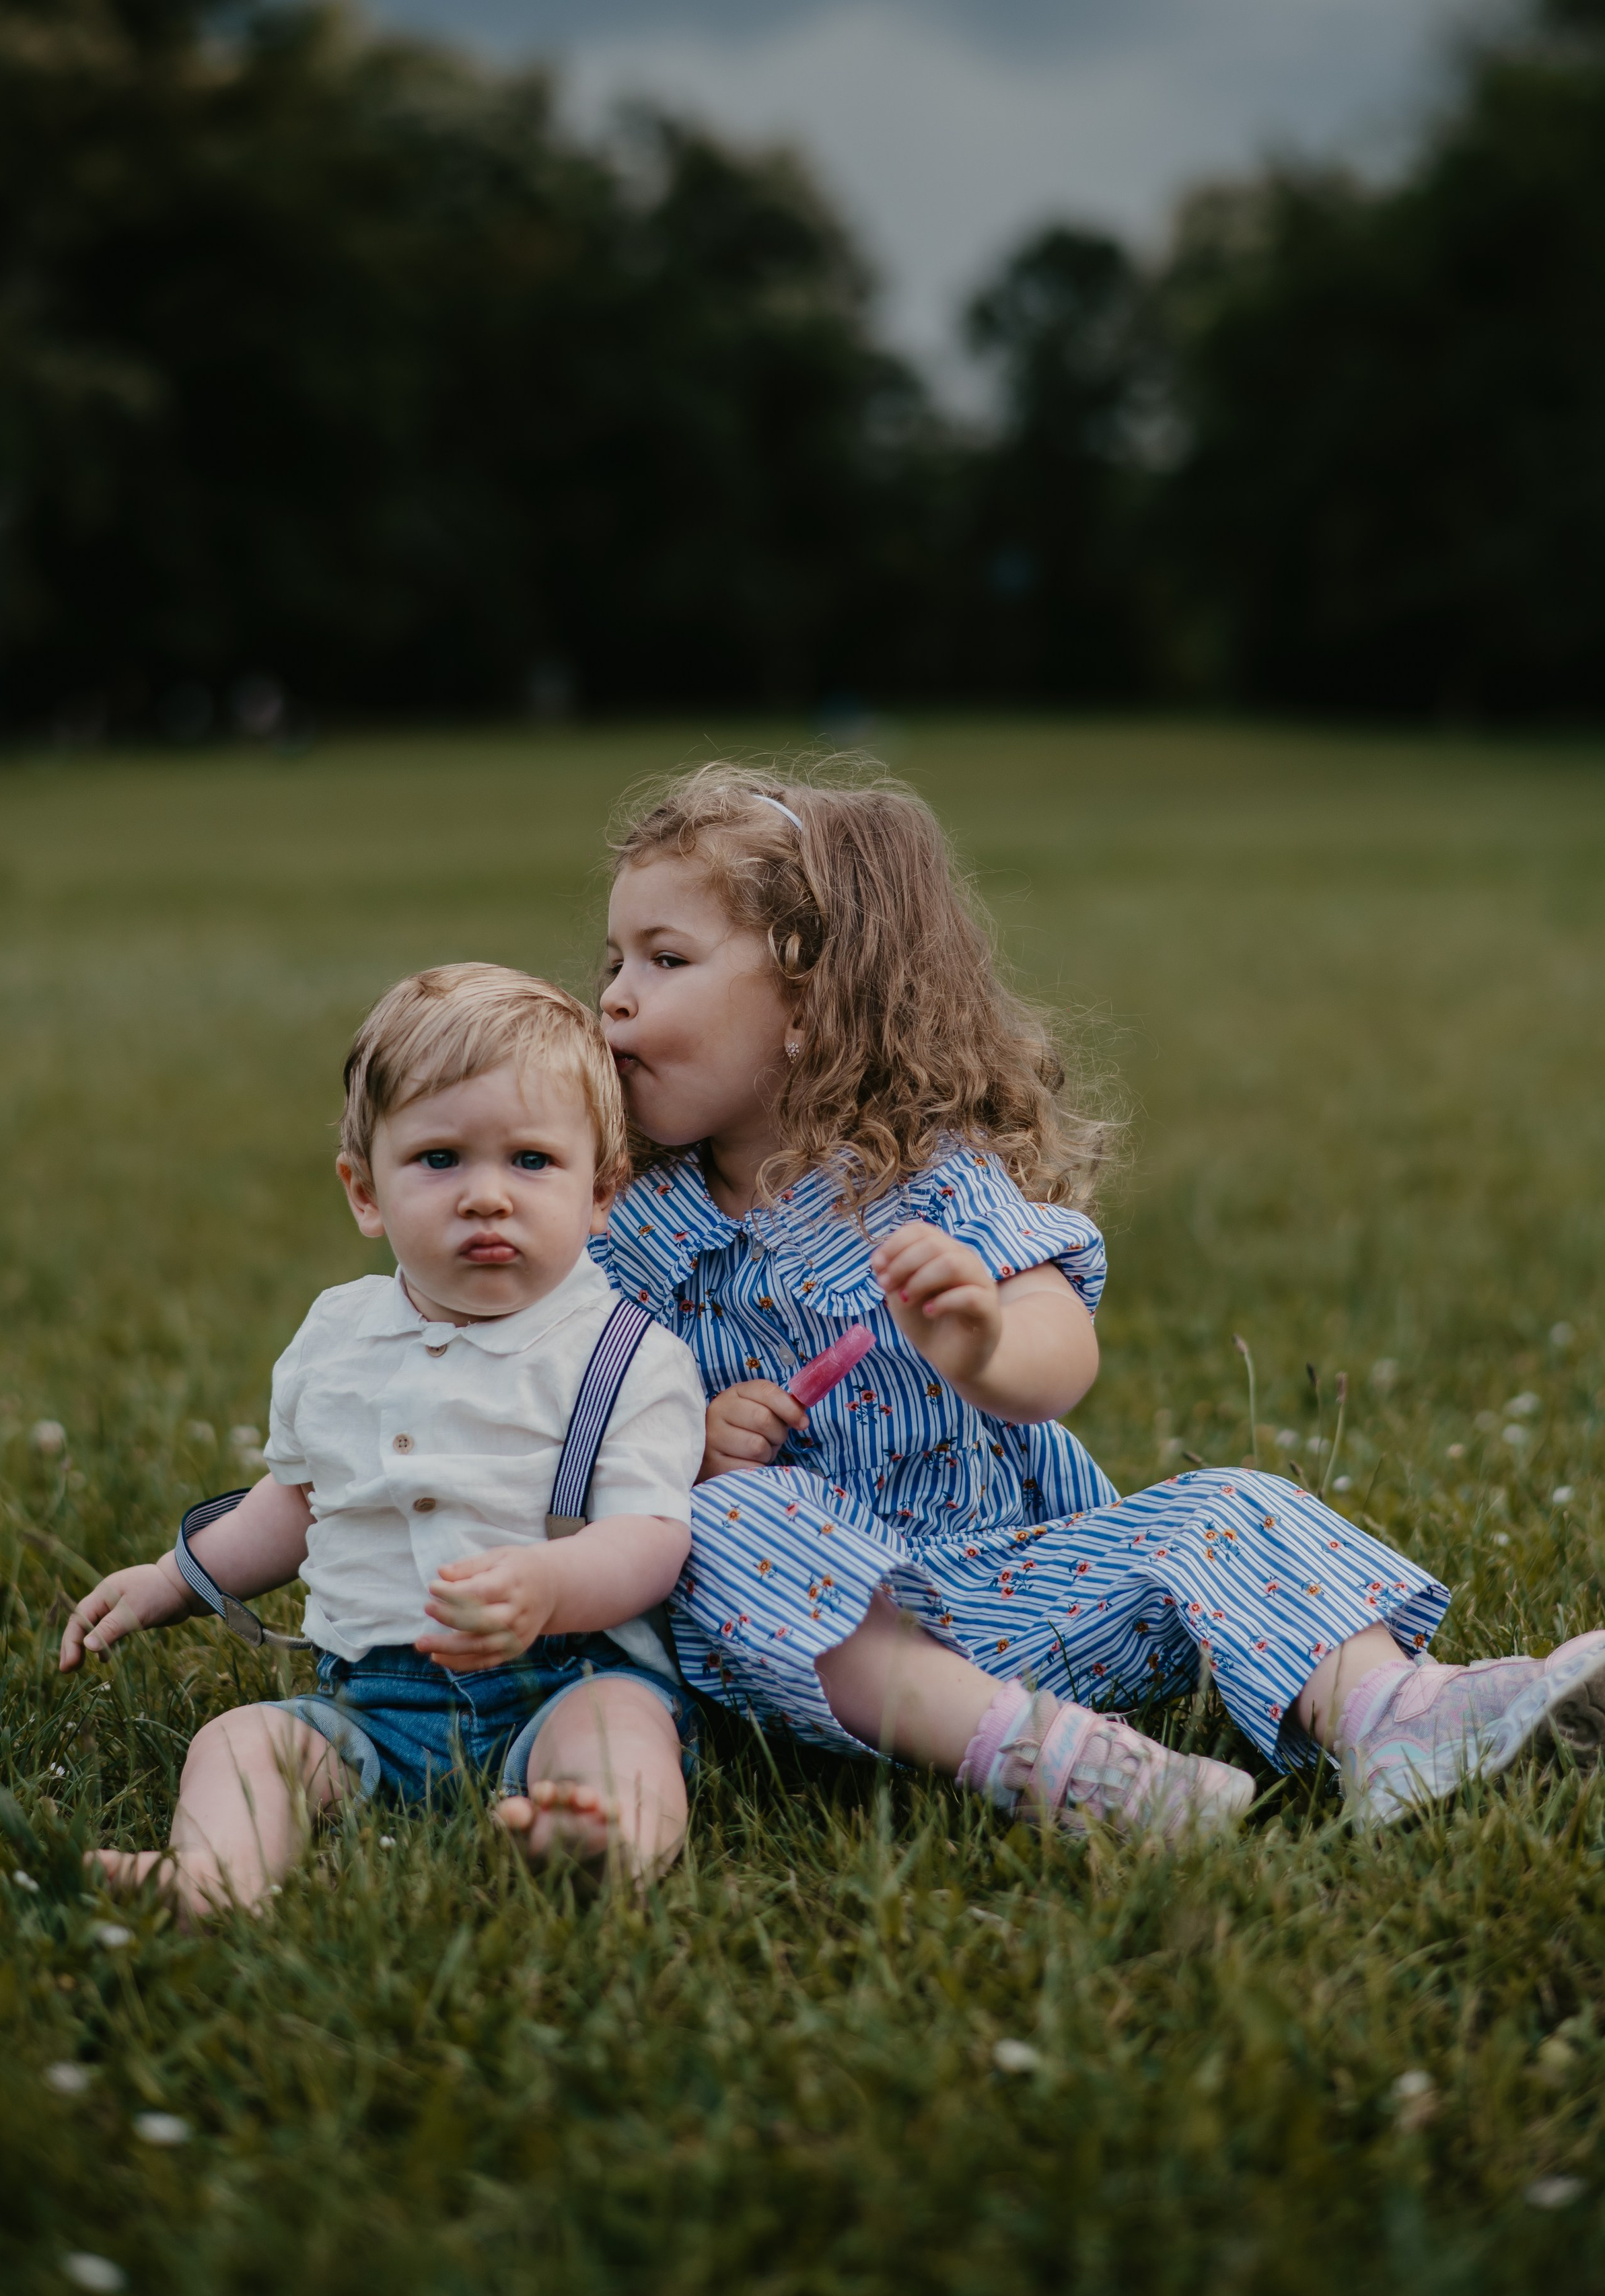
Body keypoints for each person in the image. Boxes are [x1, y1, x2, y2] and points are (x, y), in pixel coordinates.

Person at [594, 762, 1605, 1834]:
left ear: (809, 1001)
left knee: (1228, 1508)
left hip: (1021, 1588)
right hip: (813, 1632)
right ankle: (1057, 1765)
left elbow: (1060, 1353)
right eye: (613, 960)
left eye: (666, 960)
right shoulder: (632, 1229)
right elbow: (582, 1434)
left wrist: (981, 1339)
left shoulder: (928, 1183)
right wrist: (692, 1443)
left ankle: (1400, 1715)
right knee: (729, 1523)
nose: (614, 993)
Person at [59, 964, 707, 1912]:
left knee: (624, 1732)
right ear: (365, 1193)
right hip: (370, 1704)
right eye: (440, 1160)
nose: (487, 1196)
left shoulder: (627, 1354)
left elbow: (653, 1537)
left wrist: (547, 1588)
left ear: (602, 1193)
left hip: (562, 1676)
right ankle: (215, 1875)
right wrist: (173, 1580)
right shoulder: (337, 1338)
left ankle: (603, 1838)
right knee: (240, 1743)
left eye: (531, 1161)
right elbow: (297, 1503)